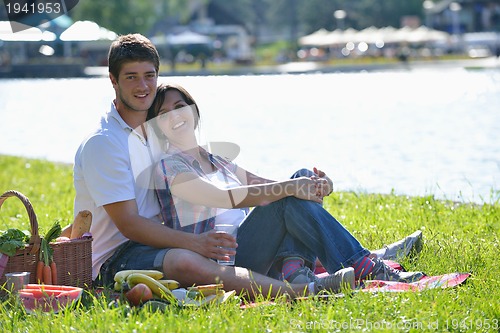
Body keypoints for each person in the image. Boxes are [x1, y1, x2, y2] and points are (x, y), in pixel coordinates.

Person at [74, 33, 360, 299]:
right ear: (113, 80)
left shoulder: (155, 134)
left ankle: (349, 265)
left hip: (162, 243)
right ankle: (302, 290)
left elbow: (242, 181)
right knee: (187, 259)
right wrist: (194, 243)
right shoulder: (106, 143)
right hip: (116, 258)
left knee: (291, 192)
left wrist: (306, 183)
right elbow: (129, 224)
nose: (143, 86)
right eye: (131, 77)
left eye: (149, 76)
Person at [146, 83, 425, 292]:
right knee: (287, 193)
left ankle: (297, 269)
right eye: (163, 113)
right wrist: (294, 187)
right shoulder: (169, 166)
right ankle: (364, 266)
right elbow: (226, 198)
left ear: (193, 110)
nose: (174, 115)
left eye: (179, 106)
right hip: (225, 263)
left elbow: (264, 185)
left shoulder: (214, 160)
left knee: (296, 180)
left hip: (251, 248)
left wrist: (318, 185)